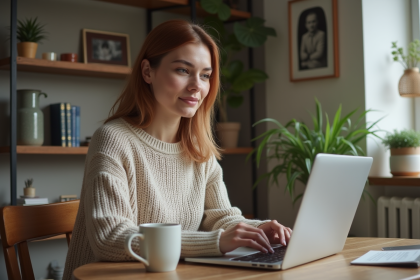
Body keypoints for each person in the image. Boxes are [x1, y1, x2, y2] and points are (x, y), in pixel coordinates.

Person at [63, 20, 292, 279]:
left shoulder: (198, 149)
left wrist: (260, 229)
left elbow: (221, 218)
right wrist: (215, 243)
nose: (197, 85)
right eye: (183, 70)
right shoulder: (113, 140)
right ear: (148, 72)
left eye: (205, 75)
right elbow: (110, 238)